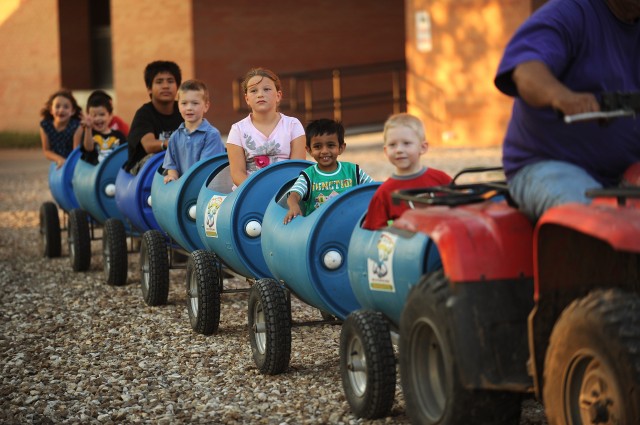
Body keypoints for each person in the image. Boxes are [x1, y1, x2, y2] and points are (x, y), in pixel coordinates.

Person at [494, 0, 640, 221]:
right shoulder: (570, 11)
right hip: (547, 165)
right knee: (598, 222)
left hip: (625, 169)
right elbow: (526, 71)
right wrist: (560, 96)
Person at [362, 113, 452, 230]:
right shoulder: (384, 193)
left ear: (423, 147)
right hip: (405, 247)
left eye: (406, 143)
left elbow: (462, 212)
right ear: (385, 150)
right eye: (392, 145)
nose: (399, 150)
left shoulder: (441, 179)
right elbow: (373, 234)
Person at [226, 67, 306, 187]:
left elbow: (297, 168)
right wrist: (257, 191)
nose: (260, 94)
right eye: (253, 91)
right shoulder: (237, 130)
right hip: (249, 191)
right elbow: (237, 173)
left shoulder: (293, 125)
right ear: (247, 99)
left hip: (286, 190)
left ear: (278, 96)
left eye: (267, 89)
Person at [284, 119, 374, 224]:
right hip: (318, 229)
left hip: (351, 224)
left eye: (330, 145)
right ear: (309, 150)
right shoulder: (308, 176)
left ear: (341, 148)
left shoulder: (353, 171)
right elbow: (294, 195)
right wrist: (294, 206)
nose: (325, 151)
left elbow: (374, 189)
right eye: (317, 146)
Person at [124, 60, 183, 175]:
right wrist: (172, 143)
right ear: (149, 88)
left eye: (170, 81)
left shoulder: (184, 110)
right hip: (145, 166)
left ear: (177, 86)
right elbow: (149, 145)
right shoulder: (144, 114)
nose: (165, 86)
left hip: (176, 160)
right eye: (159, 82)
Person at [162, 79, 225, 183]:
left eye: (195, 103)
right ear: (178, 106)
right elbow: (171, 166)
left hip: (205, 189)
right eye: (184, 103)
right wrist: (172, 177)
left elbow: (205, 169)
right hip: (183, 188)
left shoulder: (211, 135)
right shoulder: (175, 136)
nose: (189, 108)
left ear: (206, 106)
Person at [78, 91, 127, 165]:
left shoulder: (119, 135)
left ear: (110, 116)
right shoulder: (89, 134)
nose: (98, 118)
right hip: (94, 175)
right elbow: (88, 148)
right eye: (94, 115)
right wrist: (88, 128)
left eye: (102, 114)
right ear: (88, 116)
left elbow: (125, 154)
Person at [39, 90, 83, 169]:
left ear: (72, 111)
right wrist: (59, 159)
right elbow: (46, 151)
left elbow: (75, 151)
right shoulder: (45, 125)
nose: (61, 110)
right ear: (51, 110)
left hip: (74, 161)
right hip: (58, 160)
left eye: (66, 107)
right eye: (57, 106)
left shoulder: (77, 126)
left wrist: (68, 164)